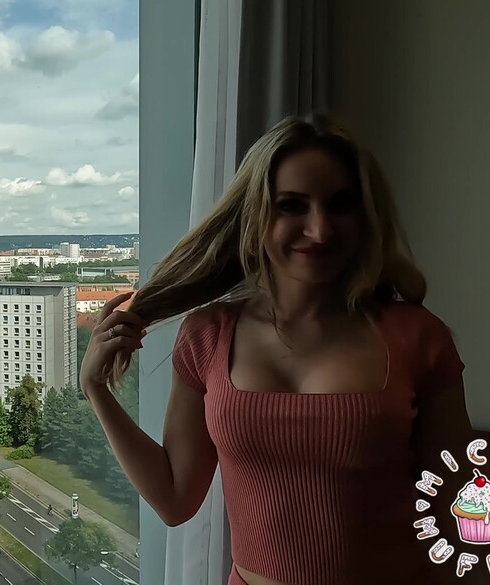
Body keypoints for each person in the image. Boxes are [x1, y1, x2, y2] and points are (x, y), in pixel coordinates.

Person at [79, 114, 474, 585]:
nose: (320, 229)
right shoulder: (208, 335)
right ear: (255, 217)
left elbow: (462, 507)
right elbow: (175, 499)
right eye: (291, 206)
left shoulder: (417, 337)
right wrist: (95, 389)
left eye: (340, 204)